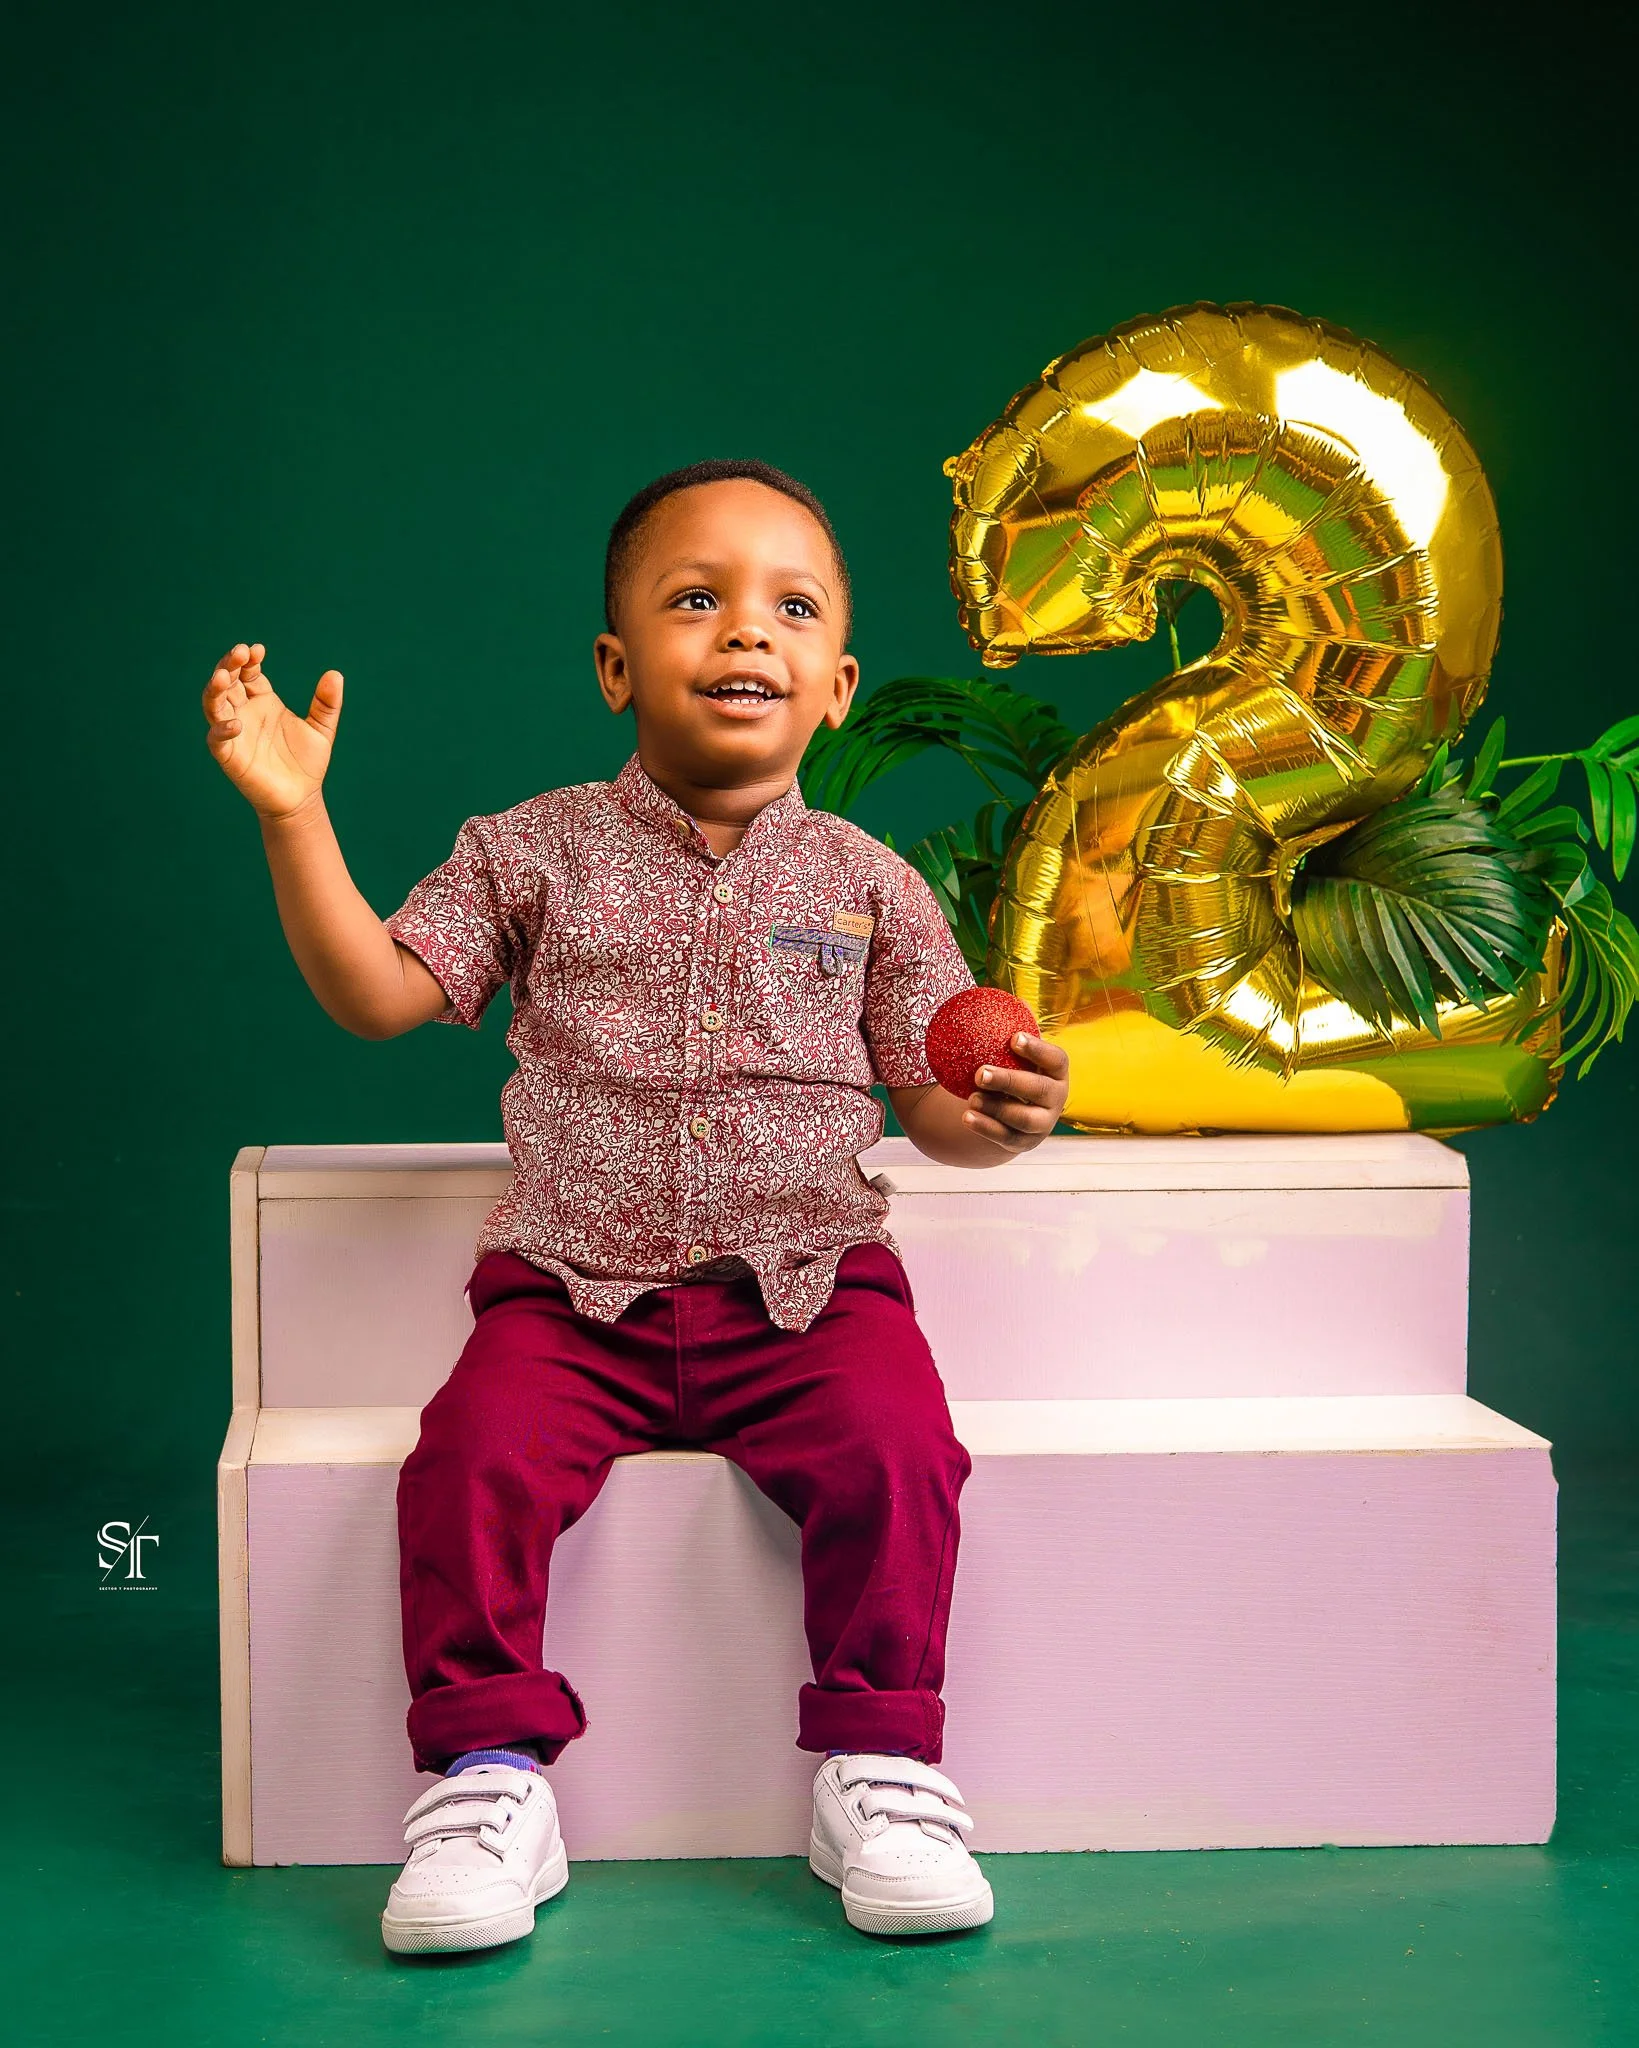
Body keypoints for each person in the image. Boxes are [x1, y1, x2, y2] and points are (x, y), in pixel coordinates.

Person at [201, 458, 1070, 1953]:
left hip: (807, 1290)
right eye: (696, 601)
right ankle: (486, 1783)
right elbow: (375, 993)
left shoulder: (871, 884)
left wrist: (997, 1125)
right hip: (569, 1294)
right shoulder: (526, 848)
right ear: (617, 667)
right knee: (465, 1462)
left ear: (840, 684)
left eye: (789, 609)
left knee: (899, 1449)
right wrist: (295, 815)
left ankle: (881, 1764)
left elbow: (928, 1104)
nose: (746, 635)